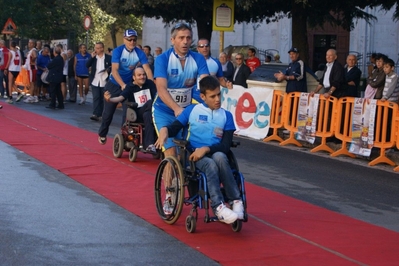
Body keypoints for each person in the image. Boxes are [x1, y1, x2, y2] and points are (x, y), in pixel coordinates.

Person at [155, 76, 244, 223]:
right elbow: (175, 127)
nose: (217, 99)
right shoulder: (192, 110)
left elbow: (226, 145)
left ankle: (236, 201)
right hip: (192, 156)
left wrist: (205, 149)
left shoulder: (226, 116)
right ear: (203, 96)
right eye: (212, 96)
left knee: (221, 156)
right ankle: (218, 207)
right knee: (210, 163)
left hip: (214, 152)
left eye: (219, 94)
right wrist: (165, 130)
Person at [152, 22, 208, 158]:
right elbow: (161, 88)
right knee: (171, 153)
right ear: (172, 40)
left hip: (186, 112)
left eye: (188, 38)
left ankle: (184, 178)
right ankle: (169, 178)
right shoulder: (162, 59)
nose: (185, 42)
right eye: (181, 38)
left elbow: (206, 85)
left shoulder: (198, 58)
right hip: (164, 111)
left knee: (187, 153)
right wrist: (176, 108)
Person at [98, 28, 153, 145]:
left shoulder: (139, 53)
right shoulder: (118, 51)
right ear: (124, 39)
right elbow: (115, 70)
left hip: (128, 86)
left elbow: (147, 69)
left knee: (128, 113)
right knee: (108, 113)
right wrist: (122, 84)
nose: (132, 42)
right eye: (129, 40)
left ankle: (126, 137)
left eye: (134, 40)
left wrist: (151, 84)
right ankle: (102, 133)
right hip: (114, 84)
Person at [104, 67, 157, 152]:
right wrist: (110, 100)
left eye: (144, 74)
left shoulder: (150, 84)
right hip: (137, 113)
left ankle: (150, 145)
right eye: (139, 75)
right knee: (150, 102)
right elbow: (120, 98)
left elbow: (157, 96)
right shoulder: (130, 87)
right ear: (134, 77)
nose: (142, 77)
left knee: (147, 114)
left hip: (150, 114)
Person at [86, 42, 112, 121]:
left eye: (98, 48)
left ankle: (102, 114)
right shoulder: (94, 58)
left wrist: (108, 69)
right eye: (95, 48)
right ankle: (95, 114)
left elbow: (112, 66)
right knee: (96, 97)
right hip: (95, 80)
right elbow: (87, 65)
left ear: (102, 48)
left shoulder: (108, 57)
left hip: (105, 80)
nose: (96, 50)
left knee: (103, 98)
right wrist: (91, 57)